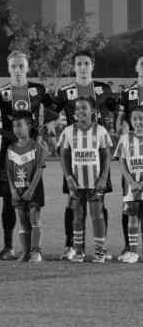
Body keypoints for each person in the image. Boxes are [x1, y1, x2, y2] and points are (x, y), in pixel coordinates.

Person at [0, 51, 55, 260]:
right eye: (13, 66)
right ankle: (8, 246)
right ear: (8, 69)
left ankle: (35, 250)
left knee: (33, 200)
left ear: (27, 67)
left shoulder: (38, 90)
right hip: (8, 154)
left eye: (21, 66)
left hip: (32, 154)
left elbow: (55, 111)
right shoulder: (0, 93)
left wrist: (49, 125)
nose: (17, 70)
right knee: (8, 199)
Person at [51, 50, 117, 260]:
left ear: (92, 65)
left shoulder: (104, 89)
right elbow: (52, 112)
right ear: (74, 66)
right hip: (75, 155)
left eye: (86, 63)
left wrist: (116, 125)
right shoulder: (65, 91)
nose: (82, 67)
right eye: (78, 63)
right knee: (73, 205)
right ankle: (71, 246)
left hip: (97, 154)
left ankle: (100, 247)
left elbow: (116, 109)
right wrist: (53, 123)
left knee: (100, 204)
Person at [59, 97, 112, 263]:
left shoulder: (101, 131)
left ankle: (99, 252)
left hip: (95, 182)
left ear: (93, 112)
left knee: (97, 215)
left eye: (84, 108)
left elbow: (106, 155)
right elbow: (64, 155)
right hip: (76, 182)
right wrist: (68, 177)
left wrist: (104, 177)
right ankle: (79, 251)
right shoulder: (68, 131)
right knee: (77, 216)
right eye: (77, 108)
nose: (80, 111)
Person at [6, 112, 47, 262]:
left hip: (33, 190)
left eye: (19, 125)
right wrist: (12, 190)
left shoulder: (36, 146)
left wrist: (31, 190)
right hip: (17, 190)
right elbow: (9, 172)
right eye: (14, 126)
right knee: (22, 221)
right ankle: (26, 252)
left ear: (28, 126)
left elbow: (39, 170)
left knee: (34, 219)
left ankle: (36, 251)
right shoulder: (11, 148)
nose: (16, 129)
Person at [115, 57, 143, 261]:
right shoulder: (128, 93)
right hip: (133, 157)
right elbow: (121, 122)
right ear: (137, 68)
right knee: (130, 206)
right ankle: (128, 247)